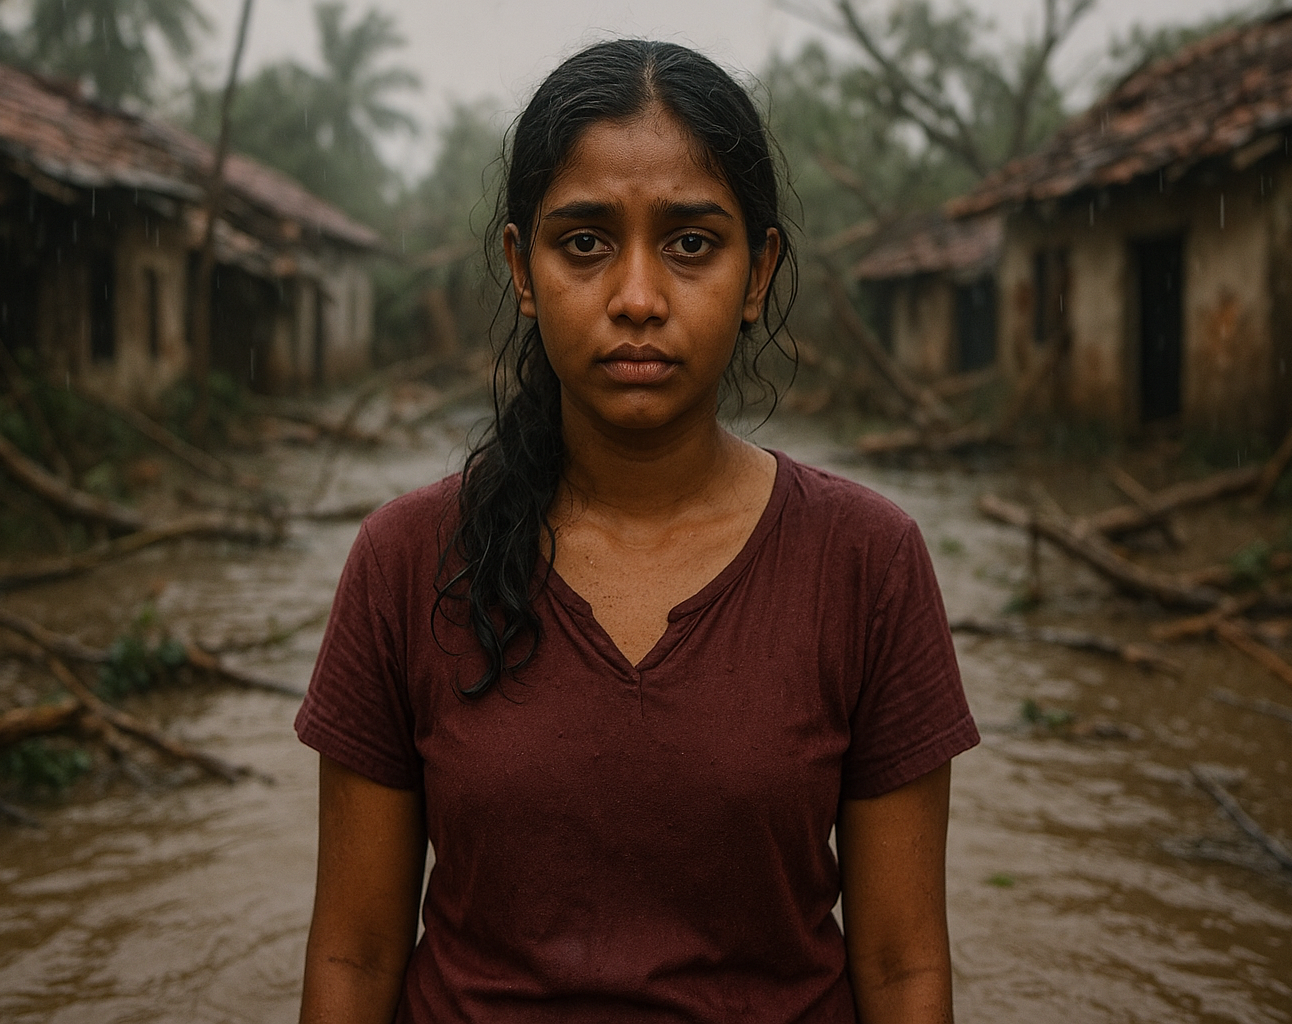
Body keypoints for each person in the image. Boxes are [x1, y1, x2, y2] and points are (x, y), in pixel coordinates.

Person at [294, 38, 979, 1024]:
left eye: (692, 242)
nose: (639, 298)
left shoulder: (865, 561)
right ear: (521, 270)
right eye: (584, 242)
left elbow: (904, 963)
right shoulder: (406, 562)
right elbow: (354, 959)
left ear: (759, 272)